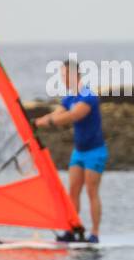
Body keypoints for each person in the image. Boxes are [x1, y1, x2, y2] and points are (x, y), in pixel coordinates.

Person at [35, 59, 106, 242]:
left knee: (92, 192)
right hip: (79, 152)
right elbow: (57, 113)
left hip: (95, 152)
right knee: (73, 191)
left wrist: (49, 122)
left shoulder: (88, 96)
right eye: (62, 76)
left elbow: (73, 116)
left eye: (65, 75)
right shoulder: (70, 98)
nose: (63, 79)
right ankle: (72, 229)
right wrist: (38, 121)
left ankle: (95, 233)